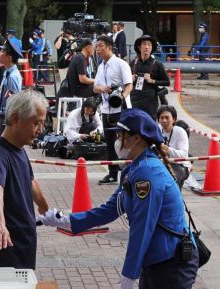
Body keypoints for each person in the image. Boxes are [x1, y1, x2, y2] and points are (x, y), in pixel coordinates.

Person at [38, 108, 199, 289]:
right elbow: (111, 209)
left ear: (136, 138)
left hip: (171, 262)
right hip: (156, 257)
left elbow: (142, 225)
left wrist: (130, 273)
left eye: (121, 135)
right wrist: (67, 221)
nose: (117, 141)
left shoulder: (147, 172)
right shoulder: (136, 168)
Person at [0, 89, 49, 269]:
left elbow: (30, 181)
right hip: (5, 247)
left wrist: (44, 207)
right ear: (16, 119)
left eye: (42, 124)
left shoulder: (19, 149)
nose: (40, 130)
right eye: (36, 123)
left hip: (24, 243)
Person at [93, 36, 133, 184]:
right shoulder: (101, 66)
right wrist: (102, 88)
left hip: (121, 109)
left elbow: (129, 85)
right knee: (110, 142)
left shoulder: (121, 64)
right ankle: (112, 173)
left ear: (109, 47)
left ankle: (129, 173)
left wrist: (121, 97)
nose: (97, 49)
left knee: (125, 141)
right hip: (105, 109)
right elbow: (95, 87)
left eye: (100, 46)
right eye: (96, 46)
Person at [130, 35, 170, 120]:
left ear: (152, 48)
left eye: (149, 45)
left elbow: (167, 82)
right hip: (134, 100)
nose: (147, 47)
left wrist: (152, 81)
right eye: (144, 44)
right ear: (139, 47)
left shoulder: (157, 64)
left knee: (149, 127)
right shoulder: (133, 63)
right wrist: (130, 78)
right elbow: (124, 81)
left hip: (150, 103)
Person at [157, 105, 190, 190]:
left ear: (174, 119)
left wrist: (167, 149)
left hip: (179, 165)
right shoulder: (156, 129)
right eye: (161, 118)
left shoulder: (180, 132)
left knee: (169, 179)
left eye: (167, 118)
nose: (164, 120)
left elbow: (183, 155)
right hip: (160, 163)